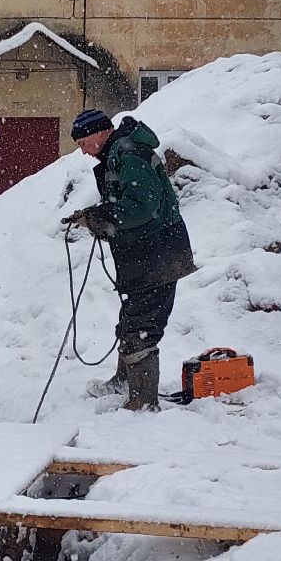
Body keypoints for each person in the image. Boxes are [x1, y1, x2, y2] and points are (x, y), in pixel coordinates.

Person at [65, 108, 196, 411]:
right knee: (132, 319)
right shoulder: (117, 155)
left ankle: (143, 402)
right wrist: (94, 217)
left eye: (84, 142)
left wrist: (100, 217)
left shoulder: (130, 154)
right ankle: (124, 382)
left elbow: (142, 207)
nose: (83, 151)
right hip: (145, 254)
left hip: (159, 254)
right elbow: (126, 204)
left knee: (142, 325)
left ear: (100, 132)